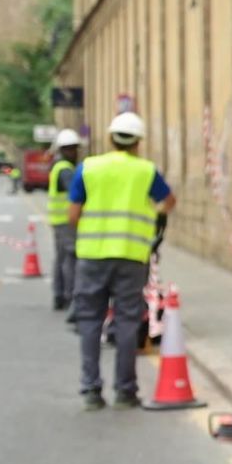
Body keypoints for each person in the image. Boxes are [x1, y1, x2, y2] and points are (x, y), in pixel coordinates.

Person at [69, 111, 174, 410]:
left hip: (91, 257)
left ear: (109, 138)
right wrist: (152, 217)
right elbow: (168, 202)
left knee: (90, 320)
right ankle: (125, 391)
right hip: (131, 258)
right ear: (138, 142)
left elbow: (73, 215)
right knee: (127, 321)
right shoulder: (146, 171)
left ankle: (91, 390)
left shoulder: (88, 169)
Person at [47, 129, 82, 314]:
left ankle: (59, 295)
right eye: (72, 149)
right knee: (70, 259)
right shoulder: (65, 170)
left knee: (61, 259)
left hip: (59, 221)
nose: (74, 153)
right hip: (66, 222)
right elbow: (76, 194)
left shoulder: (57, 166)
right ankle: (69, 297)